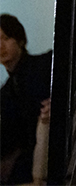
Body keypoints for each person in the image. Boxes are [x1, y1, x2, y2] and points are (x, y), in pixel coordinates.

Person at [0, 15, 51, 185]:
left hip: (53, 155)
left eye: (5, 38)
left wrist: (60, 102)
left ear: (20, 41)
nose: (0, 46)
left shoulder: (45, 64)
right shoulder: (6, 92)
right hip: (23, 165)